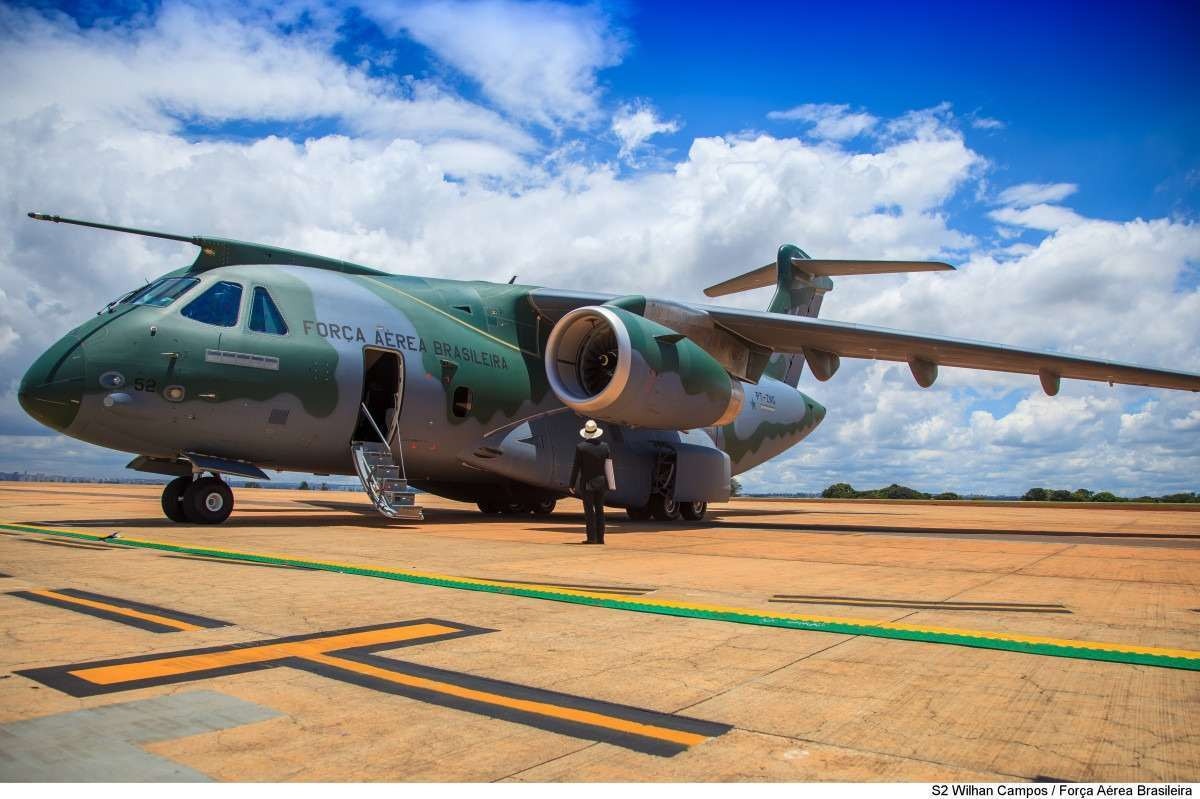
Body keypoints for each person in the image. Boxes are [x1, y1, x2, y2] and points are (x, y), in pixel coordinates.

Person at [568, 419, 613, 545]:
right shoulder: (605, 447)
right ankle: (601, 538)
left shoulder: (581, 447)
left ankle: (591, 538)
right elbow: (608, 467)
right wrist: (611, 483)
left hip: (587, 484)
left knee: (589, 512)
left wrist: (571, 484)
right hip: (602, 483)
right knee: (600, 510)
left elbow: (576, 467)